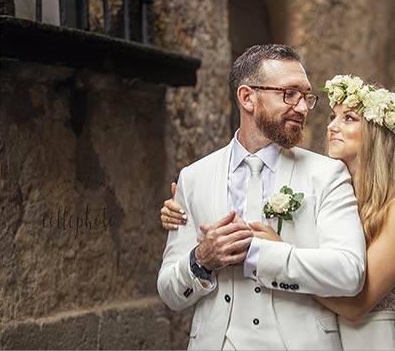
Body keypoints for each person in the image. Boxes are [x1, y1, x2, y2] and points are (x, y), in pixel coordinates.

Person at [161, 73, 395, 350]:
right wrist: (192, 206)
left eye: (348, 118)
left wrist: (276, 254)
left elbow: (356, 305)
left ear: (378, 134)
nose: (332, 127)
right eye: (332, 117)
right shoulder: (330, 191)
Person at [156, 45, 366, 351]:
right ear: (247, 98)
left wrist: (262, 253)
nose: (303, 107)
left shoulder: (327, 174)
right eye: (290, 94)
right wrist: (201, 260)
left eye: (306, 96)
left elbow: (350, 272)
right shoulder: (193, 178)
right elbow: (169, 293)